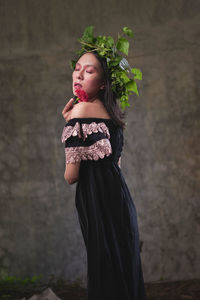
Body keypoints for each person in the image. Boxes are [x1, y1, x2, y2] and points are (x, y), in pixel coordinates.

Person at [61, 26, 146, 300]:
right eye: (78, 68)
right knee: (122, 267)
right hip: (119, 198)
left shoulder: (82, 111)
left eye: (90, 71)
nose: (79, 74)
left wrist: (73, 123)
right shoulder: (111, 112)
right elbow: (114, 162)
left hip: (97, 200)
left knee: (105, 270)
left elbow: (71, 176)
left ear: (103, 83)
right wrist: (71, 123)